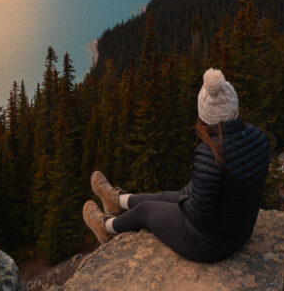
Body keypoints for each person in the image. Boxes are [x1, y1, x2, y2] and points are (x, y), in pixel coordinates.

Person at [82, 67, 271, 263]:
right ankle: (117, 201)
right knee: (168, 196)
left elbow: (199, 217)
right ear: (235, 108)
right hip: (238, 231)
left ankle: (107, 228)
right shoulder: (258, 137)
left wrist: (184, 199)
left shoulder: (211, 154)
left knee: (147, 209)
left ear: (204, 115)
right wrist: (186, 195)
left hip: (211, 244)